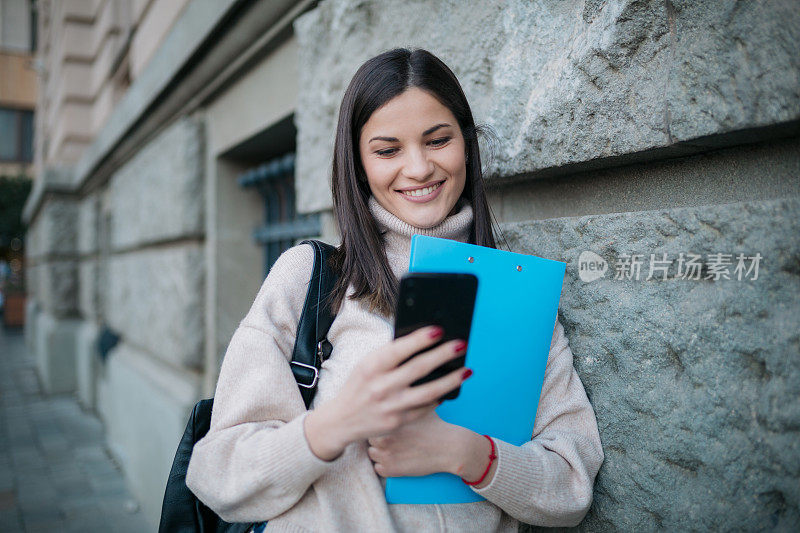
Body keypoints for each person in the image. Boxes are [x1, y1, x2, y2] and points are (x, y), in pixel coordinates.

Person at [186, 48, 603, 532]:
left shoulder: (518, 293)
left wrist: (468, 453)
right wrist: (334, 424)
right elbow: (217, 474)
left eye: (438, 140)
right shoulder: (311, 278)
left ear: (465, 144)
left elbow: (572, 486)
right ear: (359, 164)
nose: (420, 167)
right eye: (388, 150)